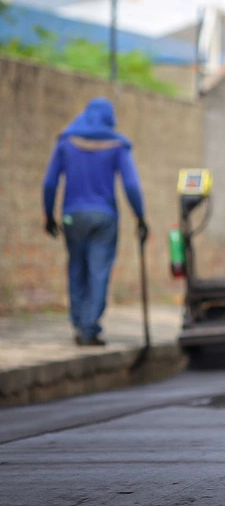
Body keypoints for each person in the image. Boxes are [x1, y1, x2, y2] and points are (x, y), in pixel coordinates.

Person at [42, 98, 148, 347]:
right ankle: (89, 327)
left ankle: (79, 322)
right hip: (104, 218)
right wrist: (140, 216)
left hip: (72, 215)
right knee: (98, 272)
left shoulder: (66, 142)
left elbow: (49, 182)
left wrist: (48, 214)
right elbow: (131, 184)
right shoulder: (116, 145)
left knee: (77, 268)